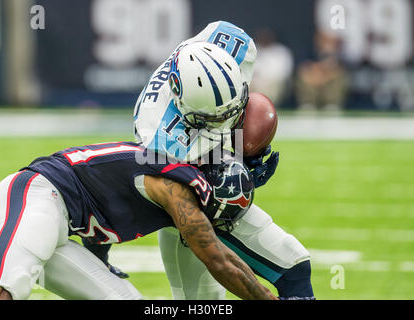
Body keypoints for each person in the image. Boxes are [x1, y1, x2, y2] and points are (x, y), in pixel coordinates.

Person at [128, 21, 315, 300]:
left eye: (232, 111)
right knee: (204, 300)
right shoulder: (158, 139)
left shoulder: (233, 43)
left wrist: (241, 154)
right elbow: (192, 197)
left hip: (202, 168)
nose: (225, 123)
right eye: (212, 120)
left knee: (295, 265)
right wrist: (240, 178)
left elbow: (224, 127)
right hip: (189, 207)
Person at [0, 141, 278, 300]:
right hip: (35, 193)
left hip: (61, 220)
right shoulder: (174, 189)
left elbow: (99, 203)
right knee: (1, 290)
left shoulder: (173, 185)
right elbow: (218, 259)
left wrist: (99, 256)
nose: (214, 220)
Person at [295, 31, 349, 112]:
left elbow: (339, 68)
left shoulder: (337, 52)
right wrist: (317, 73)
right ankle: (308, 104)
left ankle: (332, 104)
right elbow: (305, 66)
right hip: (313, 79)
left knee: (340, 77)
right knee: (303, 75)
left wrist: (325, 74)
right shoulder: (309, 50)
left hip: (329, 80)